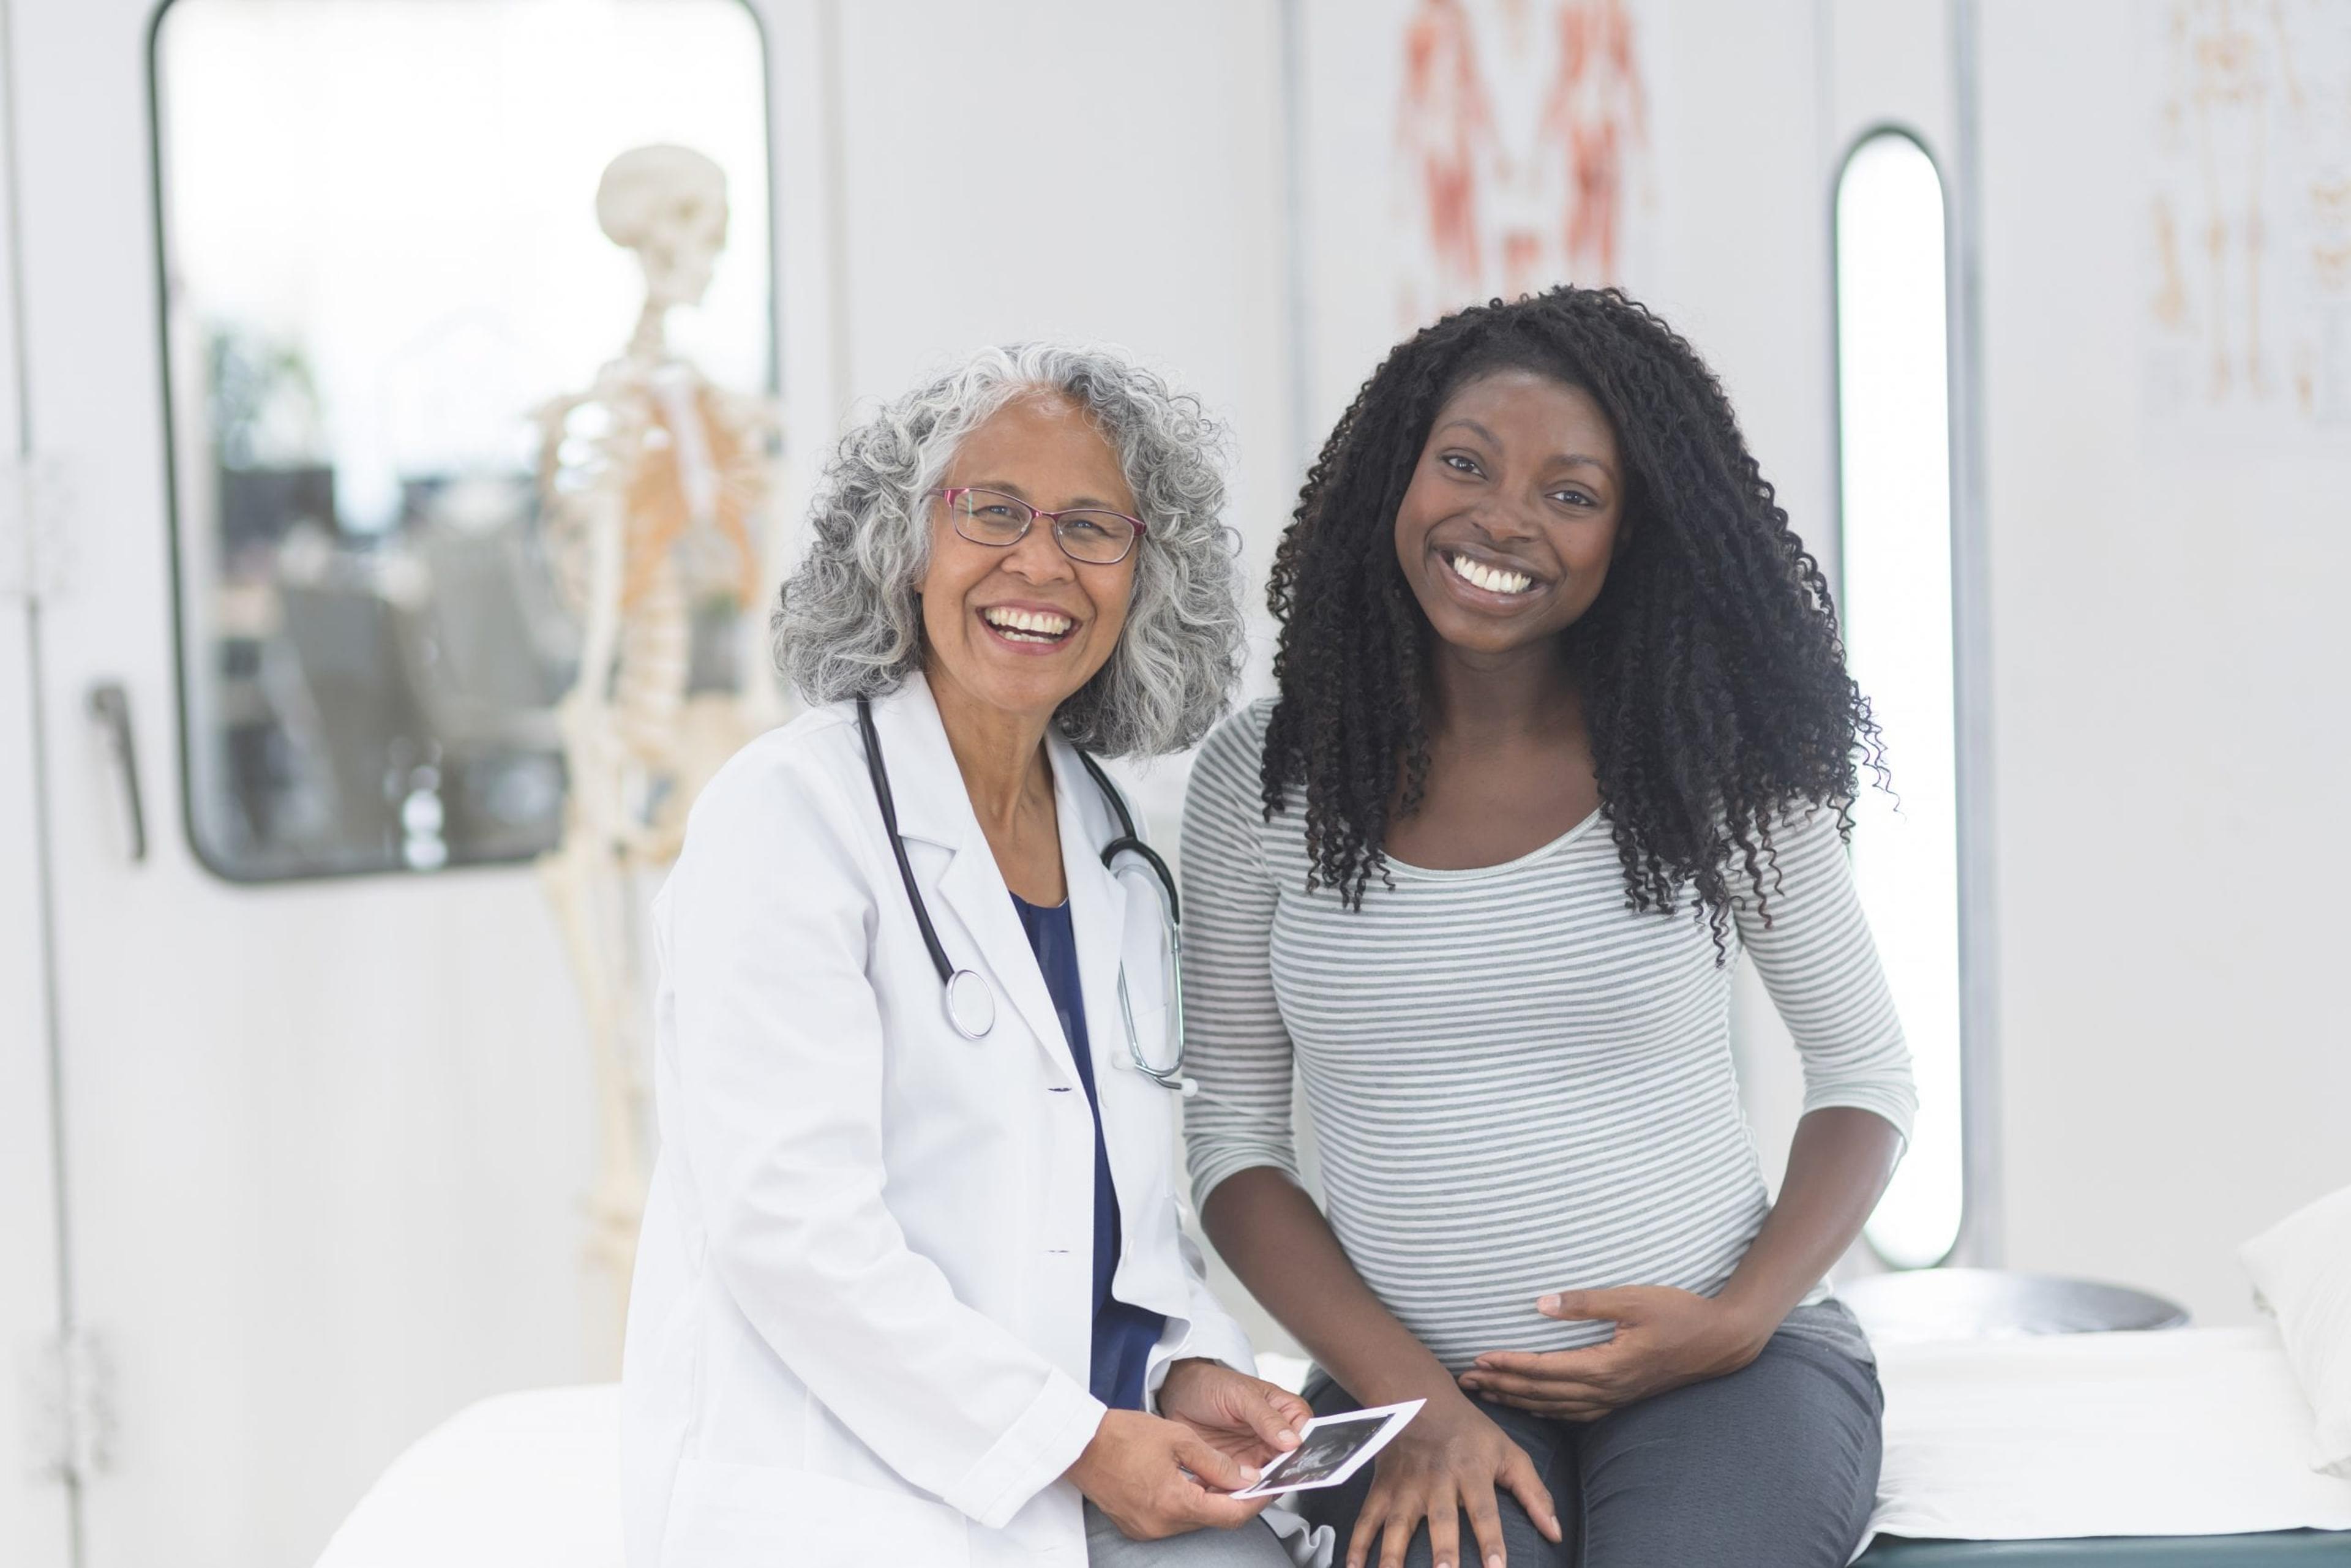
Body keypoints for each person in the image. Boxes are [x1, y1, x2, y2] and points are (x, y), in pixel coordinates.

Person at [1181, 287, 1917, 1568]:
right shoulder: (1262, 780)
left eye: (1572, 494)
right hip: (1406, 1392)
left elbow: (1866, 1078)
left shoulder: (1711, 761)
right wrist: (1413, 1398)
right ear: (1392, 476)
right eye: (1463, 463)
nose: (1503, 518)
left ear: (1635, 533)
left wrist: (1741, 1318)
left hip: (1722, 1371)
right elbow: (1235, 1148)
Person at [622, 344, 1326, 1567]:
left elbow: (1125, 1219)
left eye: (1092, 526)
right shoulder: (790, 816)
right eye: (991, 510)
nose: (1040, 563)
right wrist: (1071, 1441)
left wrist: (1194, 1360)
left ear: (1144, 575)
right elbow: (791, 1232)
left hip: (1095, 1473)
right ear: (904, 545)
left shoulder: (1113, 838)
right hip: (871, 1493)